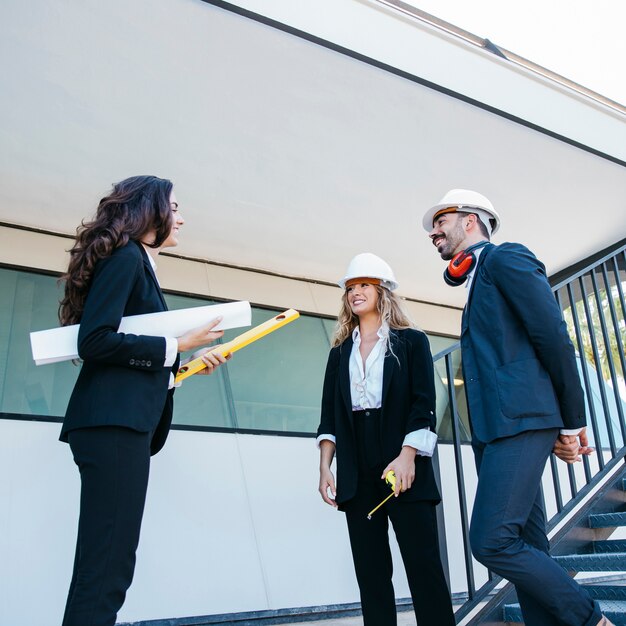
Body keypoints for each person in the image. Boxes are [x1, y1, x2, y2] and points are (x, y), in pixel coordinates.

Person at [423, 189, 610, 626]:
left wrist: (571, 421)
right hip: (494, 429)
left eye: (440, 221)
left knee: (491, 541)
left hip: (520, 422)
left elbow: (553, 337)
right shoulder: (475, 281)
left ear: (470, 220)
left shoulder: (506, 258)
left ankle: (591, 619)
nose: (433, 231)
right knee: (529, 544)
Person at [58, 175, 229, 626]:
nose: (182, 217)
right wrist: (175, 346)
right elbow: (95, 340)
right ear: (152, 210)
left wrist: (183, 362)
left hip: (117, 423)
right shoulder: (128, 257)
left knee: (109, 563)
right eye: (175, 207)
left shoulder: (137, 263)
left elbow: (132, 354)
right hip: (111, 426)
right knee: (107, 566)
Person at [317, 252, 455, 626]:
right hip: (356, 468)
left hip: (402, 460)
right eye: (350, 288)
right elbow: (329, 413)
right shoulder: (339, 352)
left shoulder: (412, 342)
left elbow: (424, 404)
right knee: (371, 575)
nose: (355, 292)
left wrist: (408, 455)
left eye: (363, 285)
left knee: (423, 568)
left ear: (383, 292)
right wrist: (326, 467)